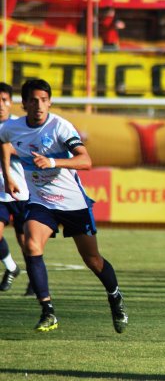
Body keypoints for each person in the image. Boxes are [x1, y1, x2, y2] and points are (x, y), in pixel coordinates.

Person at [0, 79, 128, 333]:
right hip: (41, 202)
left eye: (44, 100)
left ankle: (114, 295)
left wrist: (54, 162)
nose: (39, 105)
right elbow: (3, 141)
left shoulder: (60, 127)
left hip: (72, 203)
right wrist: (8, 177)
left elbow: (86, 160)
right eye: (34, 100)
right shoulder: (12, 127)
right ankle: (48, 310)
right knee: (31, 244)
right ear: (24, 103)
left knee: (92, 259)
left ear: (50, 102)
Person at [0, 82, 28, 293]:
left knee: (25, 241)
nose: (0, 105)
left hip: (21, 192)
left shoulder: (20, 126)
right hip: (0, 193)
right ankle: (11, 267)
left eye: (4, 100)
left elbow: (31, 152)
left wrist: (10, 149)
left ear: (11, 103)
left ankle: (35, 282)